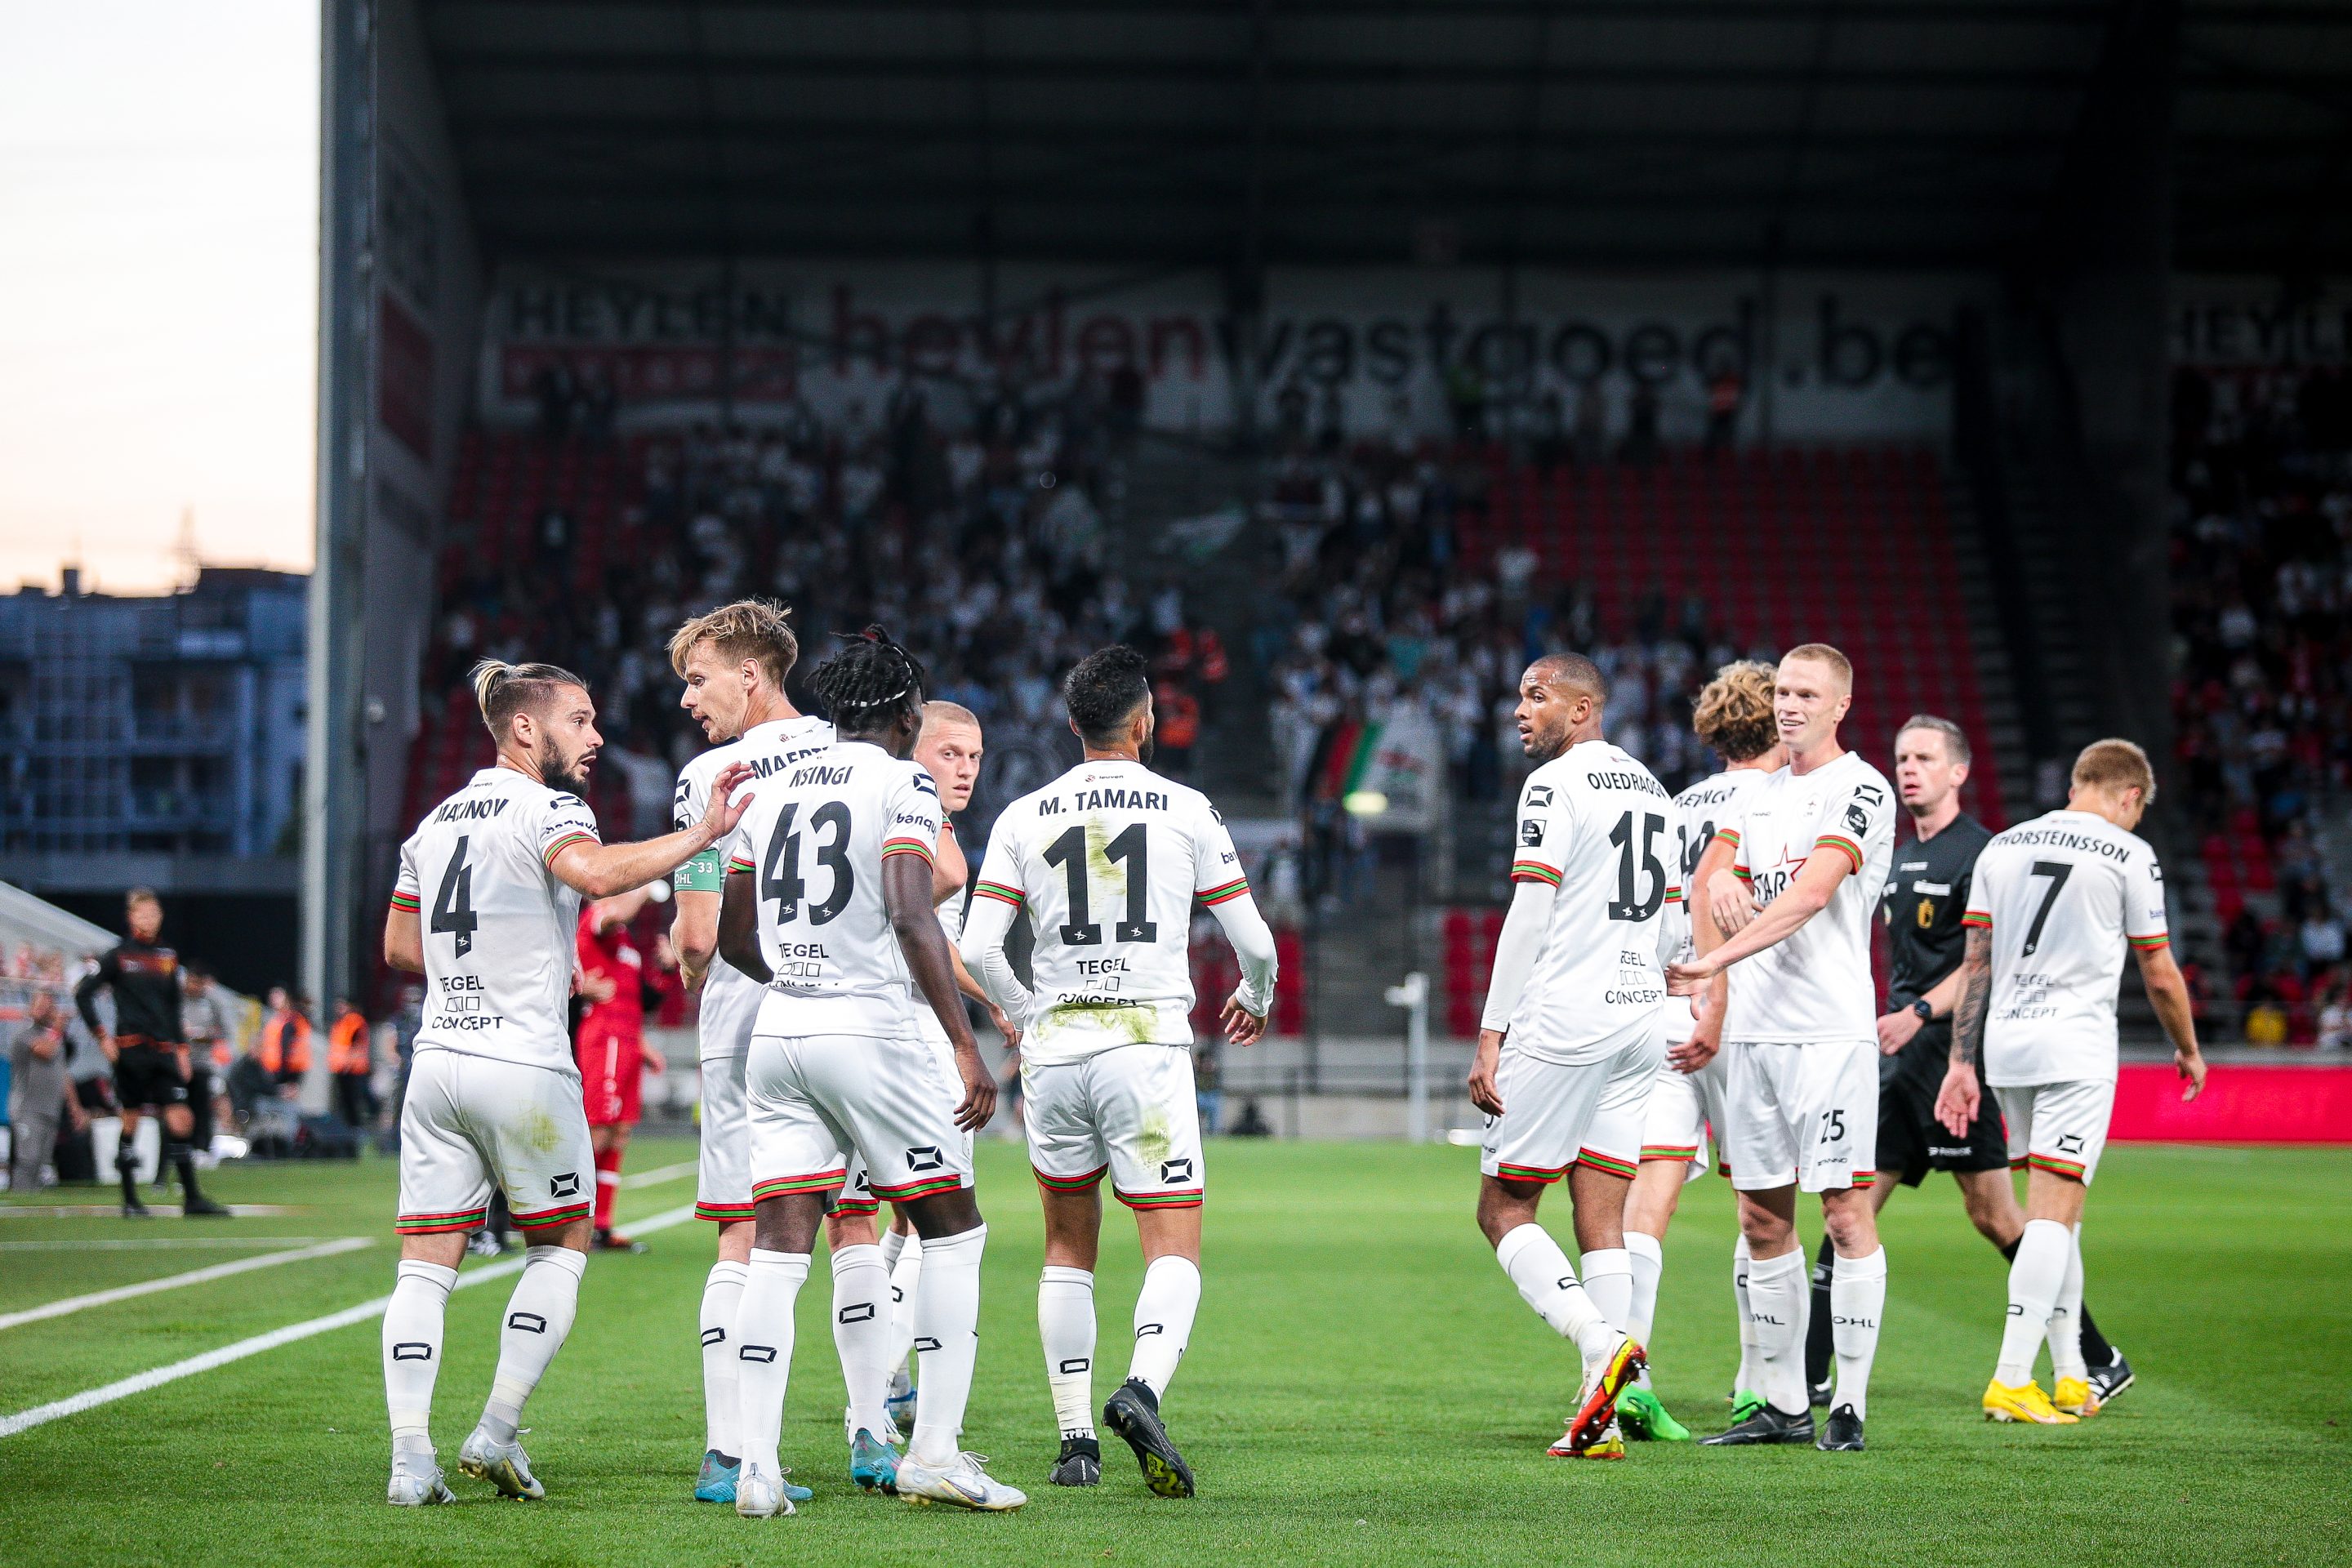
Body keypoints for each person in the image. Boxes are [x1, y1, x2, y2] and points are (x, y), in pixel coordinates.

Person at [378, 657, 754, 1508]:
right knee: (561, 1241)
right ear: (524, 728)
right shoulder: (548, 807)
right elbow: (590, 875)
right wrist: (700, 836)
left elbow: (401, 953)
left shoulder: (431, 823)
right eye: (580, 721)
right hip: (523, 1062)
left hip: (437, 1063)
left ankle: (410, 1461)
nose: (596, 737)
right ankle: (496, 1431)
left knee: (424, 1266)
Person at [717, 627, 1024, 1515]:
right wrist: (965, 1044)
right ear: (901, 716)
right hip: (872, 1032)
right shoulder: (903, 782)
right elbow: (909, 910)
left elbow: (738, 937)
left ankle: (759, 1471)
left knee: (779, 1247)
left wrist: (800, 986)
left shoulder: (770, 792)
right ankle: (932, 1451)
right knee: (954, 1232)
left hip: (779, 1036)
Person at [961, 644, 1280, 1495]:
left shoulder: (1024, 815)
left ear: (1072, 724)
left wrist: (1030, 1018)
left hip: (1057, 1055)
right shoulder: (1186, 809)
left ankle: (1075, 1445)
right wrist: (1257, 991)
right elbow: (1254, 940)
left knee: (1067, 1245)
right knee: (1172, 1244)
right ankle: (1140, 1390)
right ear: (1145, 722)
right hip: (1146, 1047)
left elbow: (978, 948)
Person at [1801, 716, 2129, 1407]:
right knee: (1848, 1208)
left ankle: (2094, 1355)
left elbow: (1986, 962)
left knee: (1997, 1215)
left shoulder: (1982, 854)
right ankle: (1809, 1370)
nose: (1909, 768)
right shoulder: (1892, 855)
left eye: (1925, 758)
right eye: (1901, 757)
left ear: (1959, 772)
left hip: (1954, 1062)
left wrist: (1921, 1014)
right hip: (1895, 1061)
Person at [1936, 739, 2207, 1425]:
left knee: (2061, 1212)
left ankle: (2068, 1374)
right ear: (2128, 796)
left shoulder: (2001, 847)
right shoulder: (2129, 855)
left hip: (2008, 1042)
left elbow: (1977, 963)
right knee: (2054, 1213)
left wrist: (1961, 1060)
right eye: (2137, 811)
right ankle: (2009, 1379)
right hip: (2075, 1046)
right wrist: (2188, 1048)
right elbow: (2160, 969)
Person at [1667, 644, 1893, 1451]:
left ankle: (1850, 1404)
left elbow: (1810, 892)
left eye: (1806, 694)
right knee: (1762, 1218)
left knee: (1842, 1213)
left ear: (1840, 704)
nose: (1789, 706)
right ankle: (1783, 1404)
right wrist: (1719, 880)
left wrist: (1717, 955)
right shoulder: (1756, 794)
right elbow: (1711, 875)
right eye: (1784, 694)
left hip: (1827, 1034)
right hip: (1755, 1036)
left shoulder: (1861, 788)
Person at [1461, 654, 1673, 1462]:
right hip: (1639, 1016)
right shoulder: (1653, 789)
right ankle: (1603, 1418)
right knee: (1603, 1219)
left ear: (1583, 710)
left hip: (1569, 1016)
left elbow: (1531, 908)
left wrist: (1492, 1029)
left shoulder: (1554, 786)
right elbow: (1673, 917)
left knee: (1503, 1206)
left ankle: (1599, 1343)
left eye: (1537, 696)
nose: (1519, 709)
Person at [662, 598, 834, 1508]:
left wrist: (697, 965)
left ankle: (729, 1453)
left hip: (743, 1020)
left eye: (698, 679)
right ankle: (885, 1435)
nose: (689, 700)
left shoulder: (709, 777)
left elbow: (696, 935)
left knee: (741, 1231)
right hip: (841, 1014)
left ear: (750, 674)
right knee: (858, 1226)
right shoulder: (851, 753)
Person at [1618, 659, 1784, 1442]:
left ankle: (1626, 1376)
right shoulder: (1781, 799)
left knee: (1648, 1196)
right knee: (1762, 1205)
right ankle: (1759, 1386)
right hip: (1737, 1009)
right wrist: (1718, 996)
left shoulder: (1675, 803)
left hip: (1659, 1004)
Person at [876, 702, 1021, 1443]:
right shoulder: (913, 816)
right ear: (912, 750)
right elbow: (918, 928)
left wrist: (995, 1001)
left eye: (974, 755)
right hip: (913, 1040)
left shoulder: (909, 816)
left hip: (877, 1035)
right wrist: (996, 1007)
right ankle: (881, 1390)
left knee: (900, 1215)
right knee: (947, 1223)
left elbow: (939, 941)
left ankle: (885, 1381)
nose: (964, 768)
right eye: (950, 753)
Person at [74, 889, 226, 1218]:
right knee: (131, 1118)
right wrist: (103, 1037)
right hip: (131, 1050)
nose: (149, 919)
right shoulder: (118, 956)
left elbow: (173, 1006)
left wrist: (182, 1049)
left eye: (153, 913)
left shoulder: (167, 956)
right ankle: (130, 1200)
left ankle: (192, 1199)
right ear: (131, 918)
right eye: (142, 914)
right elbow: (83, 994)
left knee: (181, 1118)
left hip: (163, 1052)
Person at [574, 887, 675, 1251]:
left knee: (618, 1135)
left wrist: (643, 1046)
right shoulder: (596, 920)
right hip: (605, 1040)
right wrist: (643, 889)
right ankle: (570, 1219)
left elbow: (632, 1000)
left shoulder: (624, 943)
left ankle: (601, 1226)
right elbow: (615, 913)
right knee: (598, 1130)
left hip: (626, 1041)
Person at [9, 991, 82, 1192]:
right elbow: (45, 1052)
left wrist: (75, 1106)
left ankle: (31, 1201)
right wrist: (57, 1030)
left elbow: (63, 1074)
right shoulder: (24, 1034)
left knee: (42, 1162)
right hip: (27, 1107)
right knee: (28, 1158)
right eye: (39, 1006)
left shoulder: (54, 1038)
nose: (43, 1011)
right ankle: (20, 1199)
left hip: (50, 1108)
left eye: (48, 1007)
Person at [328, 999, 376, 1133]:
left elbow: (355, 1044)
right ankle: (349, 1128)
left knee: (357, 1100)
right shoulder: (340, 1023)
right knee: (346, 1102)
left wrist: (348, 1063)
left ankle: (359, 1128)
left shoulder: (354, 1021)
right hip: (342, 1068)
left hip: (353, 1069)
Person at [256, 988, 312, 1102]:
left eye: (278, 996)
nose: (273, 999)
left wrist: (283, 1073)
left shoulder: (290, 1019)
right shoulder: (277, 1018)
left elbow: (285, 1047)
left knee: (284, 1103)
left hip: (286, 1070)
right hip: (274, 1068)